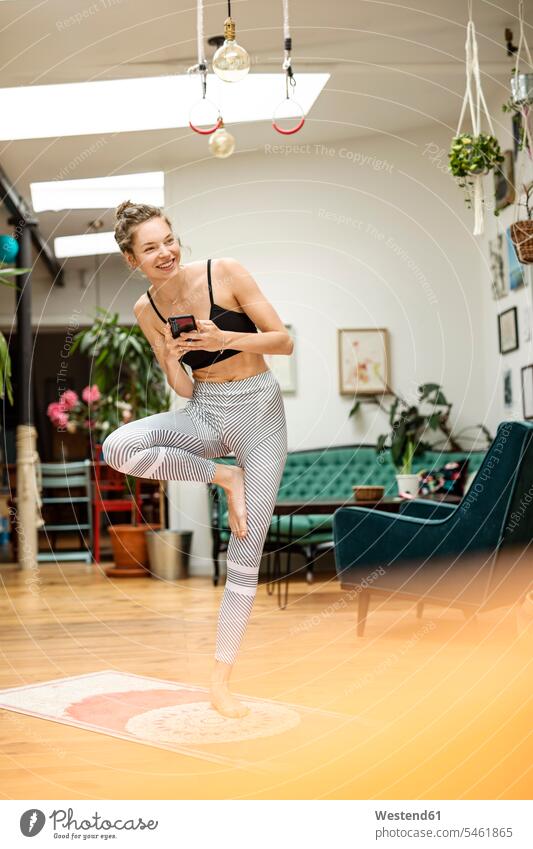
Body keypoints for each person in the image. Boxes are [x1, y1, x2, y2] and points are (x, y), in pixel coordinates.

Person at [102, 201, 293, 718]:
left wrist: (222, 337)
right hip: (204, 408)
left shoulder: (224, 273)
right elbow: (184, 387)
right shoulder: (147, 310)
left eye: (168, 240)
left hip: (258, 409)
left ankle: (219, 683)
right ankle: (223, 476)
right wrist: (169, 358)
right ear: (130, 259)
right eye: (150, 248)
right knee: (118, 447)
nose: (165, 252)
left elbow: (284, 341)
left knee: (244, 555)